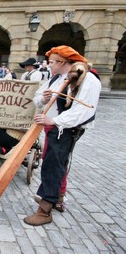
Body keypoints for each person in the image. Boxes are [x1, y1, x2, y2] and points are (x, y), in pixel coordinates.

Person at [24, 45, 101, 226]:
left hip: (66, 129)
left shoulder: (87, 79)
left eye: (51, 62)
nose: (47, 65)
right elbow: (37, 97)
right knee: (56, 162)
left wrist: (55, 121)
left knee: (53, 165)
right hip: (54, 127)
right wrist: (43, 98)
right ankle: (57, 198)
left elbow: (84, 110)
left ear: (62, 62)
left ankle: (44, 210)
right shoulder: (56, 78)